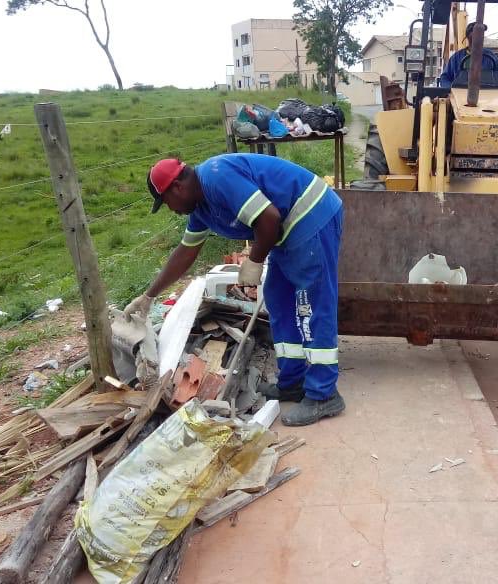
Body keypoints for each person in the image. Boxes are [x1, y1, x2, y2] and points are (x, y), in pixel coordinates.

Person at [125, 154, 345, 426]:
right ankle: (293, 382)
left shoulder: (217, 178)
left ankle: (324, 395)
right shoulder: (200, 209)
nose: (171, 209)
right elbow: (186, 253)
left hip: (310, 216)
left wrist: (254, 261)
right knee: (279, 299)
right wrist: (149, 296)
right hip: (286, 231)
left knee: (309, 306)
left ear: (177, 188)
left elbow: (268, 218)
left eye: (166, 202)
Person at [437, 22, 498, 88]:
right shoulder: (456, 58)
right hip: (461, 95)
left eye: (482, 33)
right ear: (468, 36)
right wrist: (452, 90)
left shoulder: (491, 56)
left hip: (487, 95)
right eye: (477, 33)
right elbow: (444, 78)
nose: (480, 36)